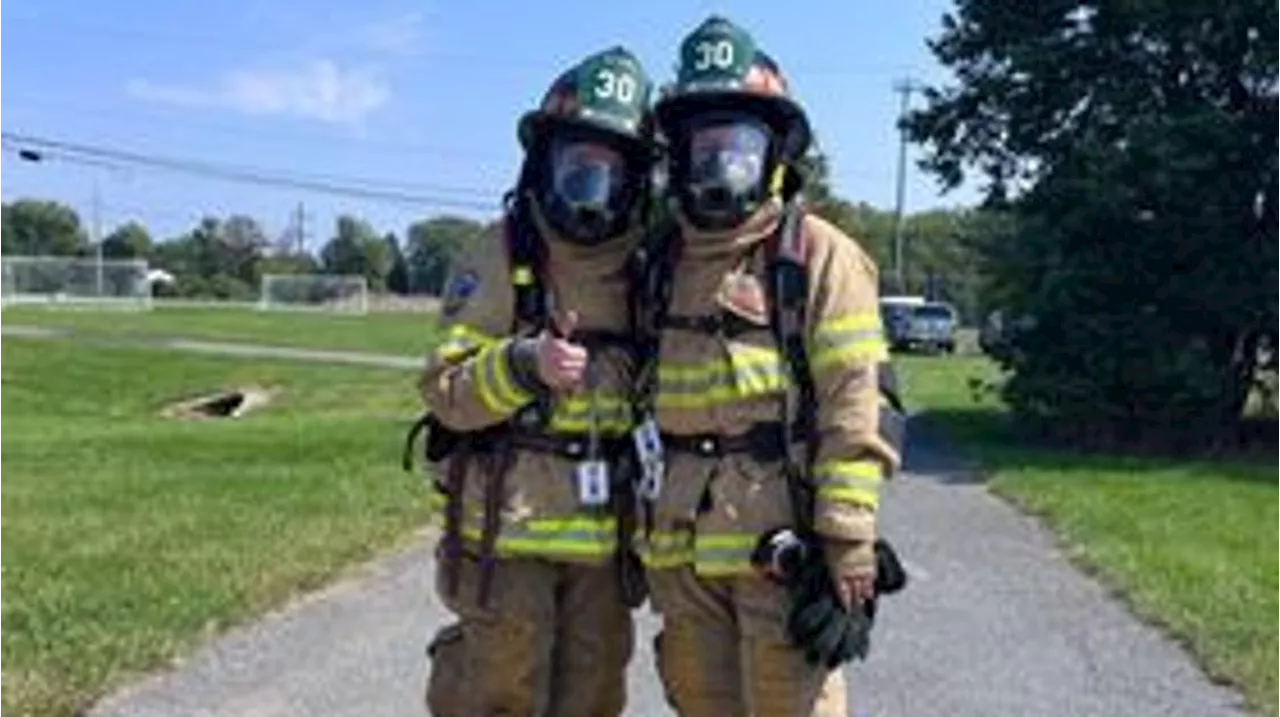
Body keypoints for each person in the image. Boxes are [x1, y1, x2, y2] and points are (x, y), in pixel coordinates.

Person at [630, 16, 905, 717]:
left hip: (778, 549)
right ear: (678, 156)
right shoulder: (663, 263)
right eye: (705, 150)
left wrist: (847, 539)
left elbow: (857, 401)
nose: (721, 169)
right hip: (681, 552)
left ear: (776, 156)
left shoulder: (818, 255)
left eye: (740, 150)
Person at [414, 45, 659, 717]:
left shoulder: (648, 269)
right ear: (543, 163)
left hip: (604, 545)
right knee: (502, 692)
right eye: (578, 167)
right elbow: (444, 390)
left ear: (637, 178)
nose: (591, 188)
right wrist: (523, 365)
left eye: (610, 171)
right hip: (507, 533)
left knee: (594, 693)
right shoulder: (499, 253)